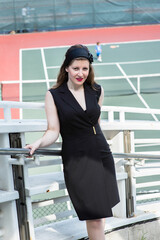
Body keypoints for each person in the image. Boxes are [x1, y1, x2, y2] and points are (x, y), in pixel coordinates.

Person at [25, 44, 120, 240]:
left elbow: (96, 123)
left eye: (85, 68)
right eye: (76, 68)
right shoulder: (53, 95)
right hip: (77, 158)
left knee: (99, 216)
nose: (80, 73)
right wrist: (38, 143)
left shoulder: (96, 90)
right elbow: (53, 131)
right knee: (94, 216)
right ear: (66, 68)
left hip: (101, 154)